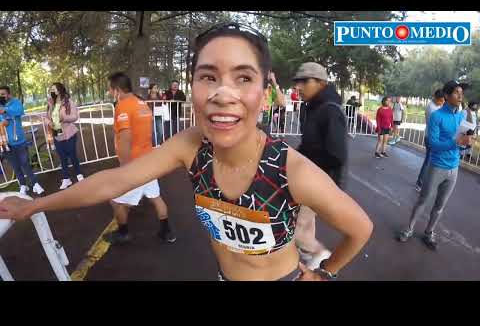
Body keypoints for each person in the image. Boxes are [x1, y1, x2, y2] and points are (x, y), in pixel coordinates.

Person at [0, 23, 372, 281]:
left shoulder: (294, 170)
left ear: (264, 94)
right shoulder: (191, 146)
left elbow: (360, 228)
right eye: (208, 76)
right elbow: (114, 180)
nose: (222, 94)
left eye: (243, 78)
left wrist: (325, 272)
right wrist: (34, 206)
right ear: (192, 87)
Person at [397, 81, 472, 250]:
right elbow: (433, 144)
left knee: (440, 205)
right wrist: (455, 142)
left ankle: (429, 232)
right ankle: (409, 229)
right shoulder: (437, 116)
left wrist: (467, 142)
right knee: (423, 200)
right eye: (456, 93)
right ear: (446, 96)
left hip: (454, 168)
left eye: (461, 93)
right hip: (437, 166)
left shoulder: (461, 116)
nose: (460, 96)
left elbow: (462, 140)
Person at [102, 72, 175, 245]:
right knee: (156, 198)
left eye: (110, 90)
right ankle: (167, 232)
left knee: (114, 200)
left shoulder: (123, 106)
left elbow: (126, 137)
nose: (110, 93)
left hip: (133, 164)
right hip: (147, 161)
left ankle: (123, 232)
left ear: (117, 90)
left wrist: (125, 168)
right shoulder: (142, 103)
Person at [293, 63, 349, 270]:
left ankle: (322, 262)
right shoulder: (311, 108)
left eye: (305, 81)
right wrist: (292, 158)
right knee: (305, 226)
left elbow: (336, 155)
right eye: (297, 81)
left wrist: (305, 164)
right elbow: (310, 144)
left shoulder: (330, 111)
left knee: (296, 230)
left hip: (319, 183)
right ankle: (312, 260)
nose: (299, 86)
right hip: (309, 180)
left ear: (321, 83)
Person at [0, 86, 45, 196]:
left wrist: (6, 110)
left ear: (9, 94)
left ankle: (35, 184)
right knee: (16, 166)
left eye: (3, 94)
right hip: (6, 143)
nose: (1, 96)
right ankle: (23, 185)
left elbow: (20, 111)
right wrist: (2, 121)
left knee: (25, 164)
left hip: (19, 141)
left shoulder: (15, 102)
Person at [46, 83, 84, 190]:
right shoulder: (50, 103)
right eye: (51, 89)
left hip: (69, 133)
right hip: (57, 135)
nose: (52, 91)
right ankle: (66, 178)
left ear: (60, 90)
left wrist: (64, 118)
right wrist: (50, 123)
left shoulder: (68, 102)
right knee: (62, 158)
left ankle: (79, 174)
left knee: (72, 155)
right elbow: (47, 117)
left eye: (54, 89)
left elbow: (75, 117)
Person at [415, 89, 445, 192]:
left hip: (430, 136)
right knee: (429, 162)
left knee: (430, 161)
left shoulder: (435, 105)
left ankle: (423, 182)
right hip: (431, 138)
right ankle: (420, 182)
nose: (443, 102)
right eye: (441, 100)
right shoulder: (432, 109)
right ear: (436, 98)